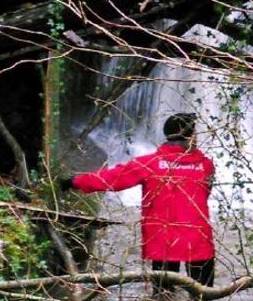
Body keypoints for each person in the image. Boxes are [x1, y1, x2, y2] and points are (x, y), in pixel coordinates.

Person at [63, 113, 217, 288]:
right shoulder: (206, 165)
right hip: (198, 240)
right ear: (191, 136)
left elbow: (112, 179)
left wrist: (74, 181)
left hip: (163, 241)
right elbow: (205, 193)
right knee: (204, 299)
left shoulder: (149, 163)